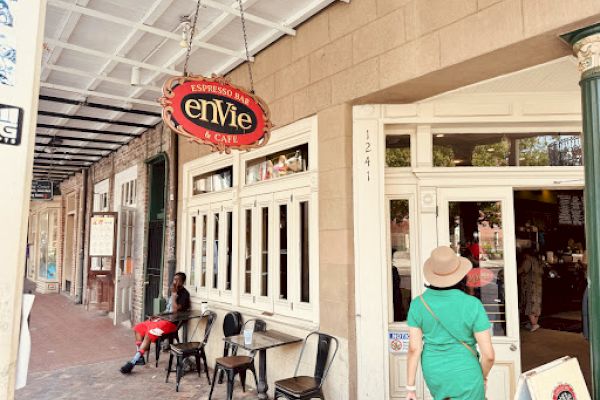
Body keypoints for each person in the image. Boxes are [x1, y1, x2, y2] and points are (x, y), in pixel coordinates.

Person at [405, 246, 495, 400]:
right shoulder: (472, 304)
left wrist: (411, 388)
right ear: (461, 275)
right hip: (466, 371)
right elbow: (489, 356)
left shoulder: (418, 304)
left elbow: (414, 349)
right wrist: (483, 377)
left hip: (434, 372)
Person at [120, 272, 191, 374]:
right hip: (162, 319)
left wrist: (174, 295)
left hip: (171, 323)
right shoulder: (172, 292)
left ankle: (134, 360)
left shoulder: (184, 294)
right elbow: (167, 309)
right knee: (138, 328)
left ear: (183, 282)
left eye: (178, 280)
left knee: (150, 332)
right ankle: (140, 357)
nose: (175, 282)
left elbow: (175, 311)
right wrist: (157, 315)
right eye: (174, 279)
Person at [518, 248, 543, 332]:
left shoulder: (528, 261)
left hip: (530, 287)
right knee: (536, 305)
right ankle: (534, 323)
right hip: (538, 286)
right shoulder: (537, 261)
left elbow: (522, 270)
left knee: (530, 305)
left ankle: (534, 324)